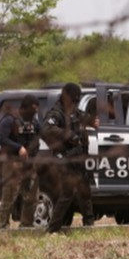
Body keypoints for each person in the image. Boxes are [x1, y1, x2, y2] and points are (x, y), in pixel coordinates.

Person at [41, 83, 98, 233]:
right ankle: (52, 229)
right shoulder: (56, 113)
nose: (75, 103)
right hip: (66, 160)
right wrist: (67, 135)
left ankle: (89, 225)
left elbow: (83, 117)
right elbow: (46, 129)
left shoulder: (74, 112)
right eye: (73, 100)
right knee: (67, 194)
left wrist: (92, 121)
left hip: (78, 159)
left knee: (85, 193)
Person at [0, 94, 41, 229]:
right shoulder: (10, 120)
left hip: (30, 163)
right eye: (33, 108)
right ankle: (4, 226)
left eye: (37, 109)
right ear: (25, 107)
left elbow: (42, 134)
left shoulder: (34, 122)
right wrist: (18, 147)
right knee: (9, 195)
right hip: (13, 162)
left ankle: (26, 225)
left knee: (32, 196)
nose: (35, 111)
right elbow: (1, 139)